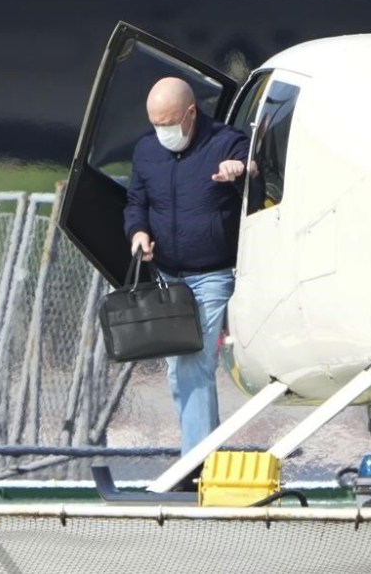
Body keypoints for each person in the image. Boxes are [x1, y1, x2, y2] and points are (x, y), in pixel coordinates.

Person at [124, 77, 251, 484]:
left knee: (194, 363)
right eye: (156, 123)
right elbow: (136, 202)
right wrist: (138, 232)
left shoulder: (225, 142)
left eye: (170, 122)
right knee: (180, 370)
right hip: (168, 280)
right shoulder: (147, 151)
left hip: (213, 275)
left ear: (191, 113)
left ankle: (194, 464)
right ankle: (203, 459)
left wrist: (242, 170)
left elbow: (258, 170)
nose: (164, 132)